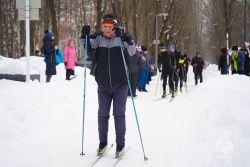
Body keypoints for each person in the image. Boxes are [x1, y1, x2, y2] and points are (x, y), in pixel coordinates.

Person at [80, 13, 135, 157]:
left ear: (115, 26)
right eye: (105, 27)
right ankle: (102, 143)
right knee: (103, 115)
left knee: (119, 114)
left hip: (121, 84)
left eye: (110, 27)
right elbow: (85, 49)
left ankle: (120, 145)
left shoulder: (121, 38)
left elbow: (132, 51)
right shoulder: (98, 38)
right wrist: (84, 36)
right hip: (103, 84)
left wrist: (128, 39)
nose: (107, 30)